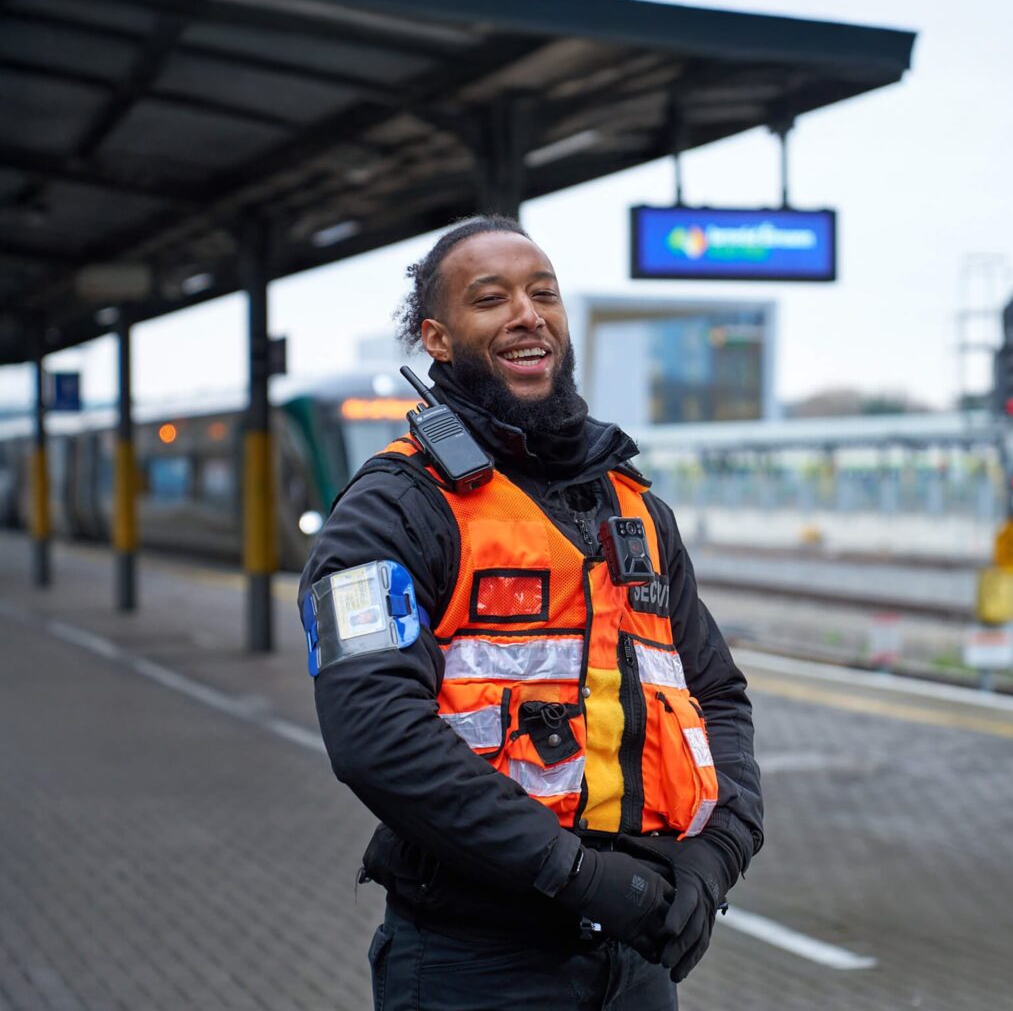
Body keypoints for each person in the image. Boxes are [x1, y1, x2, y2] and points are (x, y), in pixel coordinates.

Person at [299, 215, 763, 1011]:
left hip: (639, 955)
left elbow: (717, 694)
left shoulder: (635, 509)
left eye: (542, 293)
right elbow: (375, 733)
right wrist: (576, 874)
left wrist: (715, 855)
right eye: (491, 299)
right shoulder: (392, 509)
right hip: (476, 964)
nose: (527, 312)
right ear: (438, 339)